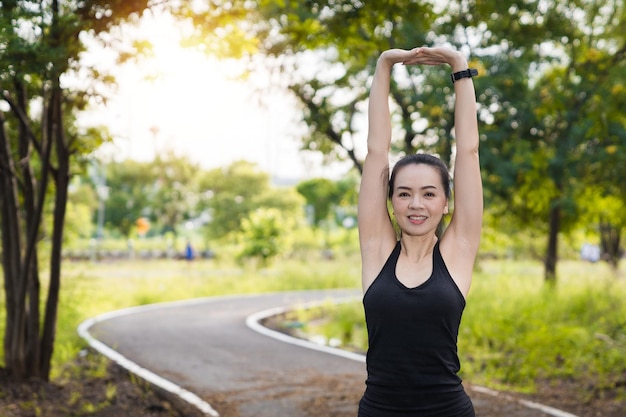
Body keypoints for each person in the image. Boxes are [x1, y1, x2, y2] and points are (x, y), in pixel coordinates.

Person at [357, 46, 483, 417]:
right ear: (391, 201)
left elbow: (469, 152)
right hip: (380, 410)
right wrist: (384, 65)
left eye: (429, 194)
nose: (416, 204)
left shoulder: (458, 250)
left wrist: (460, 68)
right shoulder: (377, 249)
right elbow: (376, 152)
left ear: (445, 203)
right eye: (404, 193)